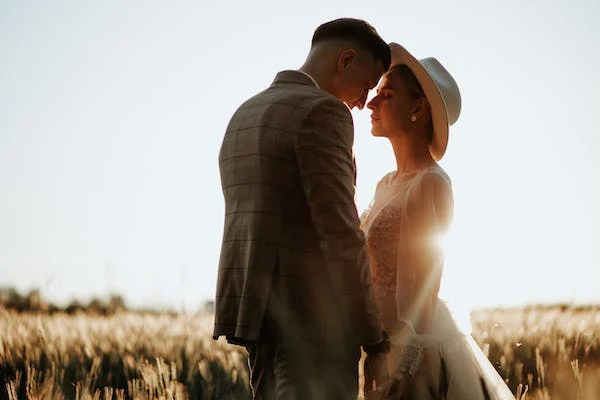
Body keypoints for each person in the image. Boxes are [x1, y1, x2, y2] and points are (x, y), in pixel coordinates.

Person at [213, 18, 393, 399]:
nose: (363, 103)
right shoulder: (324, 112)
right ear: (346, 59)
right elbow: (341, 232)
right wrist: (372, 337)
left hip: (258, 326)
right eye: (366, 85)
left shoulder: (243, 114)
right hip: (314, 332)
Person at [360, 43, 516, 399]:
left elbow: (425, 280)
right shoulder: (384, 183)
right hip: (374, 343)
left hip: (410, 348)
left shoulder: (430, 182)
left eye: (387, 94)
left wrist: (404, 359)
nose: (371, 103)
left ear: (418, 107)